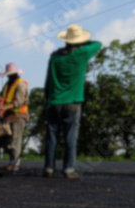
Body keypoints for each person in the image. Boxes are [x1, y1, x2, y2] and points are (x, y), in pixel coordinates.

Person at [43, 24, 101, 179]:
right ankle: (68, 169)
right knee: (70, 137)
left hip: (54, 102)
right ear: (79, 41)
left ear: (66, 40)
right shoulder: (82, 53)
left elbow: (48, 82)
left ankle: (49, 168)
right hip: (73, 103)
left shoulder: (54, 57)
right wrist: (82, 42)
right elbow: (98, 44)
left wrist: (47, 98)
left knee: (51, 137)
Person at [0, 63, 29, 172]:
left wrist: (4, 108)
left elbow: (18, 102)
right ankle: (12, 162)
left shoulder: (21, 85)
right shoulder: (7, 84)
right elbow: (4, 97)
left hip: (19, 115)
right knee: (8, 140)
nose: (9, 76)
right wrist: (0, 99)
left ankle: (15, 164)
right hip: (9, 116)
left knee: (15, 139)